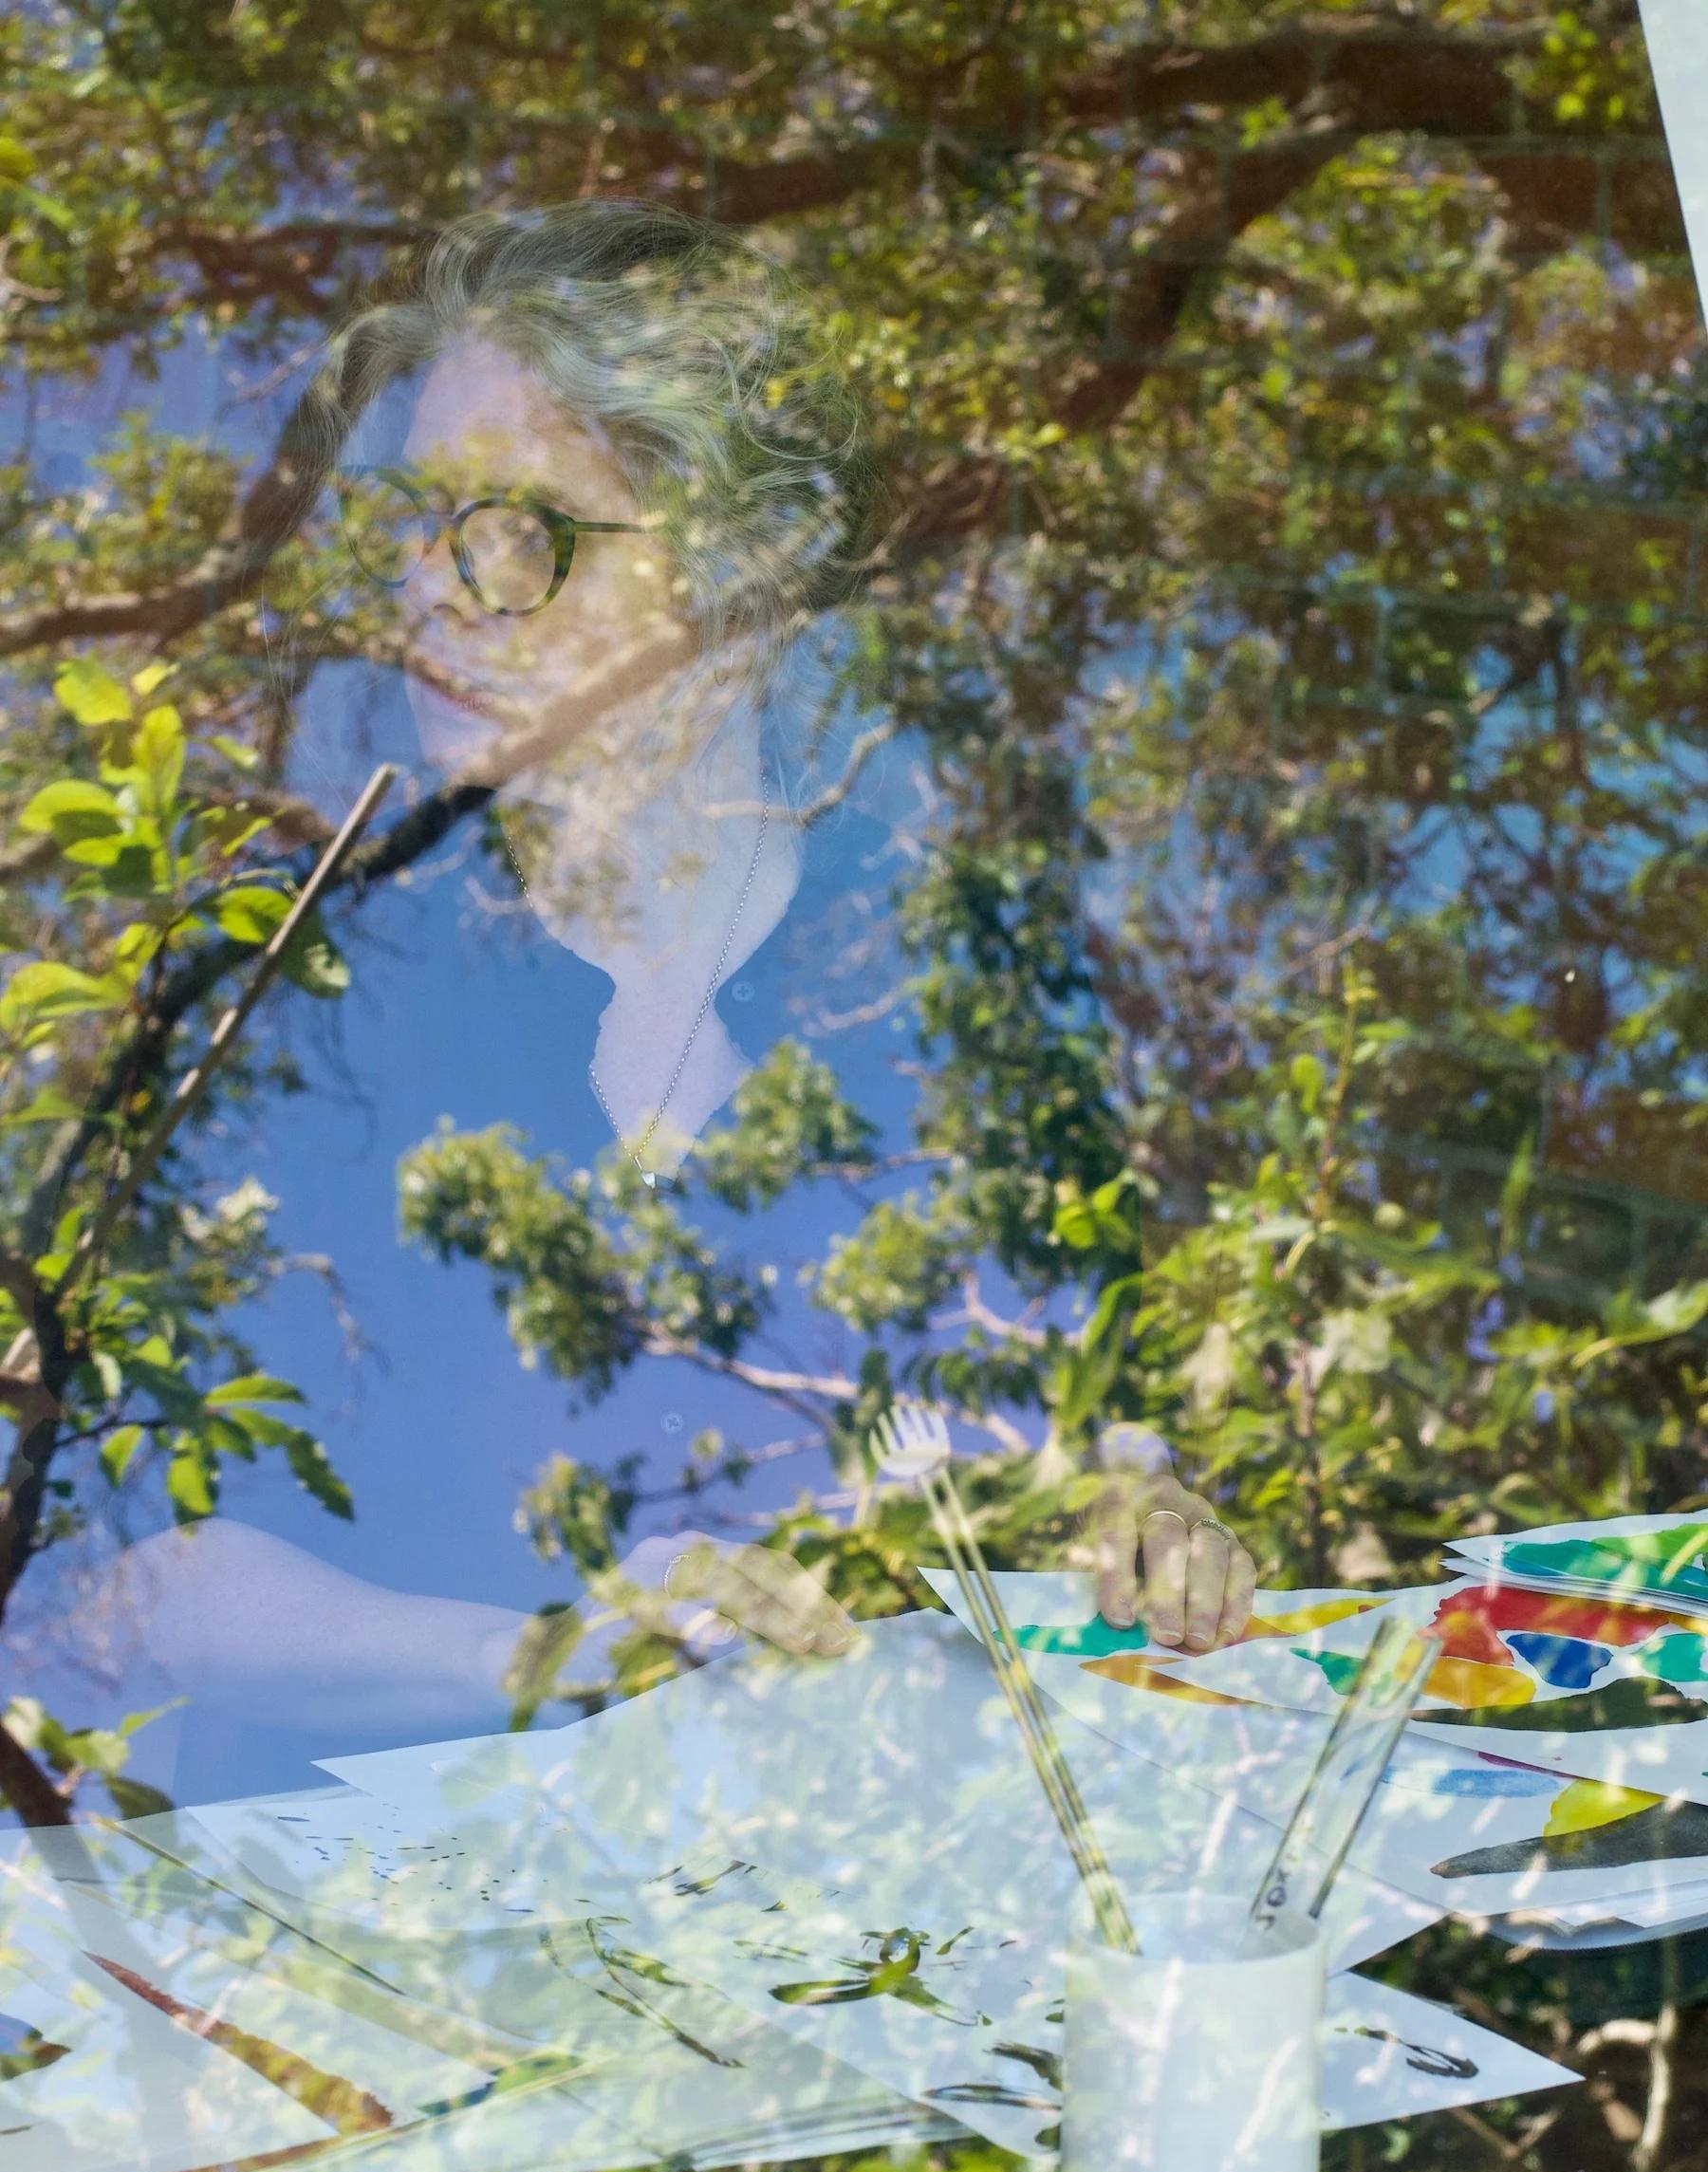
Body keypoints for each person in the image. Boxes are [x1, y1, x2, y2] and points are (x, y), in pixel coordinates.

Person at [42, 203, 1247, 1791]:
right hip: (372, 1942)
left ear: (742, 591)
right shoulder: (302, 1001)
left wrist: (1139, 1504)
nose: (434, 592)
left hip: (853, 1911)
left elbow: (1051, 1392)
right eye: (416, 526)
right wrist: (548, 1652)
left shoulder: (928, 955)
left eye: (514, 532)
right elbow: (127, 1576)